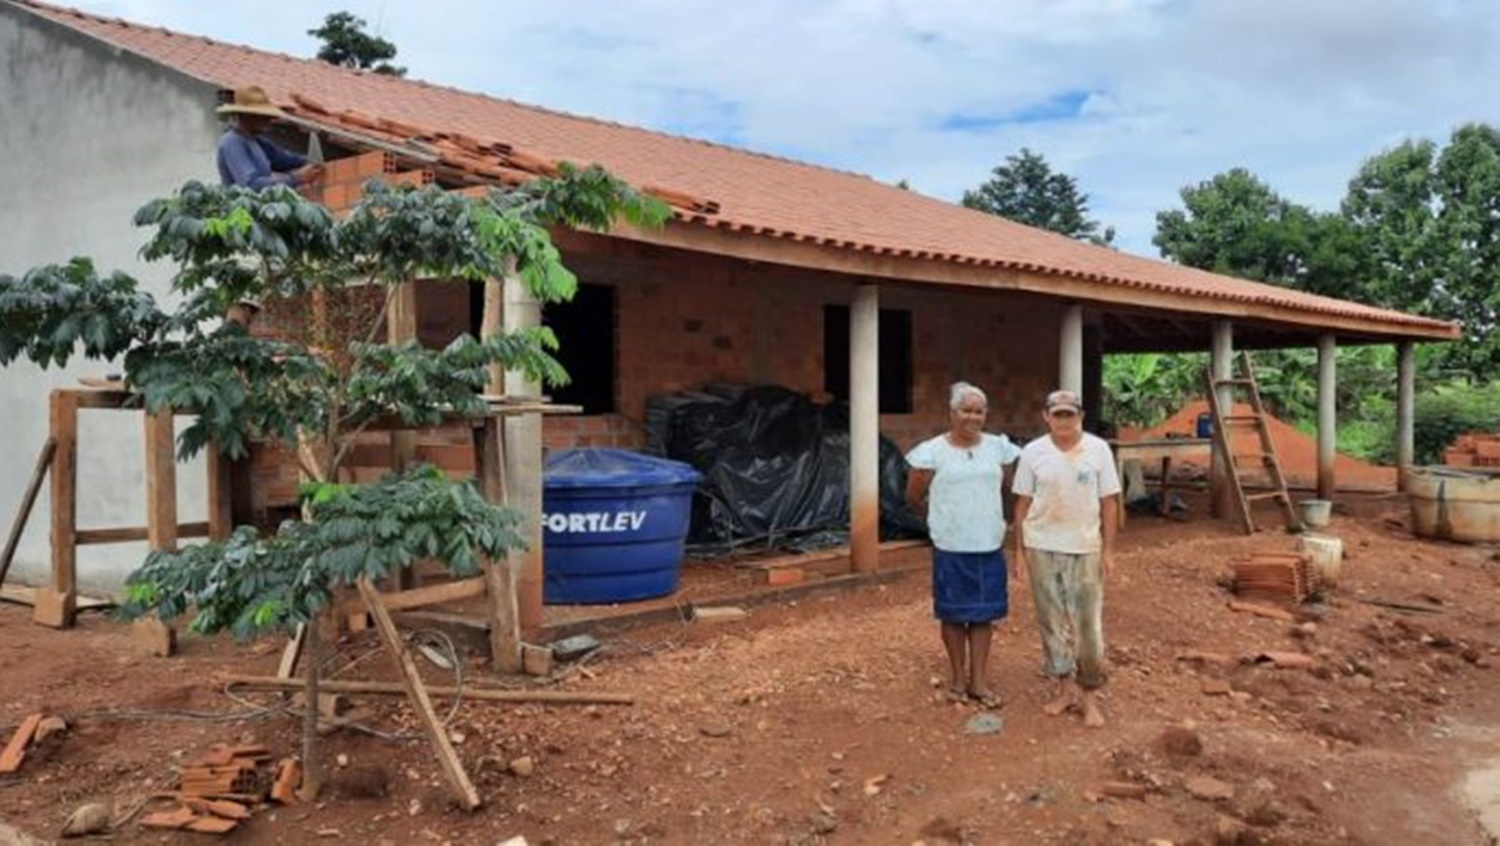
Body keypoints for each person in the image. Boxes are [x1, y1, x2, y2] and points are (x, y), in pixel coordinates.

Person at [905, 381, 1022, 709]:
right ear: (952, 413)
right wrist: (941, 519)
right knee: (953, 615)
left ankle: (978, 682)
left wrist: (1002, 520)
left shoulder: (999, 448)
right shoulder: (930, 452)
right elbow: (913, 496)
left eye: (978, 411)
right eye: (965, 410)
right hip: (951, 545)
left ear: (986, 414)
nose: (972, 417)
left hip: (988, 544)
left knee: (984, 615)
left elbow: (1011, 489)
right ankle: (958, 679)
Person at [1012, 389, 1121, 728]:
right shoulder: (1033, 452)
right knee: (1051, 621)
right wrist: (1020, 553)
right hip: (1041, 545)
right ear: (1046, 417)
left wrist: (1109, 551)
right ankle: (1064, 690)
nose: (1063, 420)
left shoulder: (1098, 450)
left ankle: (1089, 697)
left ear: (1080, 417)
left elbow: (1109, 504)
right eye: (1057, 414)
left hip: (1085, 547)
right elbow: (1022, 505)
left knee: (1088, 626)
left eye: (1069, 414)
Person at [216, 86, 323, 190]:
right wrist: (296, 178)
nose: (269, 121)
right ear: (248, 116)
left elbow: (286, 160)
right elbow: (251, 185)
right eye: (264, 117)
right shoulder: (232, 143)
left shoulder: (257, 142)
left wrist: (313, 163)